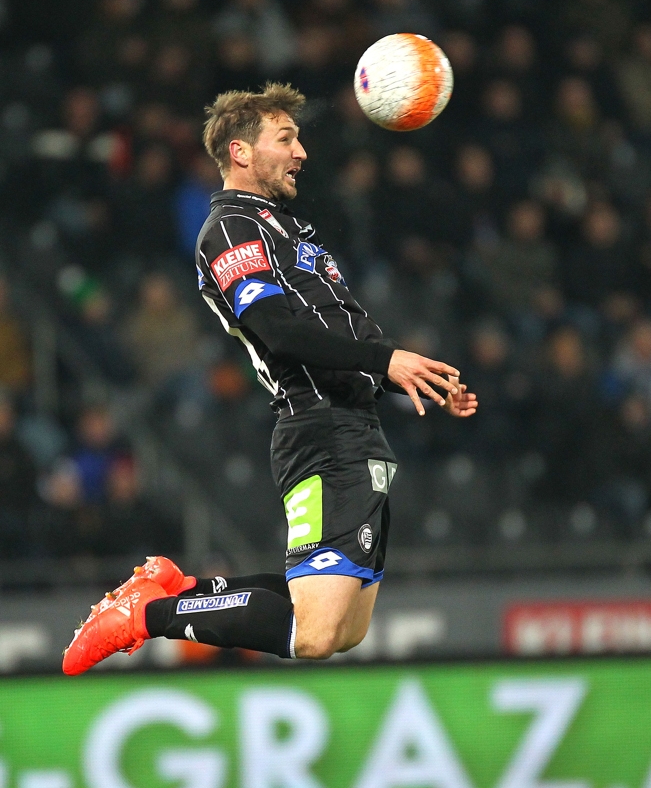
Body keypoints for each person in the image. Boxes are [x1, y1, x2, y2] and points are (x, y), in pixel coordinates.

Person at [62, 83, 477, 675]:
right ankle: (146, 614)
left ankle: (175, 589)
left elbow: (343, 334)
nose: (301, 151)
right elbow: (276, 331)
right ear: (241, 152)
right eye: (286, 138)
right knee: (314, 634)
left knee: (346, 630)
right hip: (320, 431)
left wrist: (410, 377)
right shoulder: (229, 230)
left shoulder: (291, 231)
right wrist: (386, 361)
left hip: (357, 428)